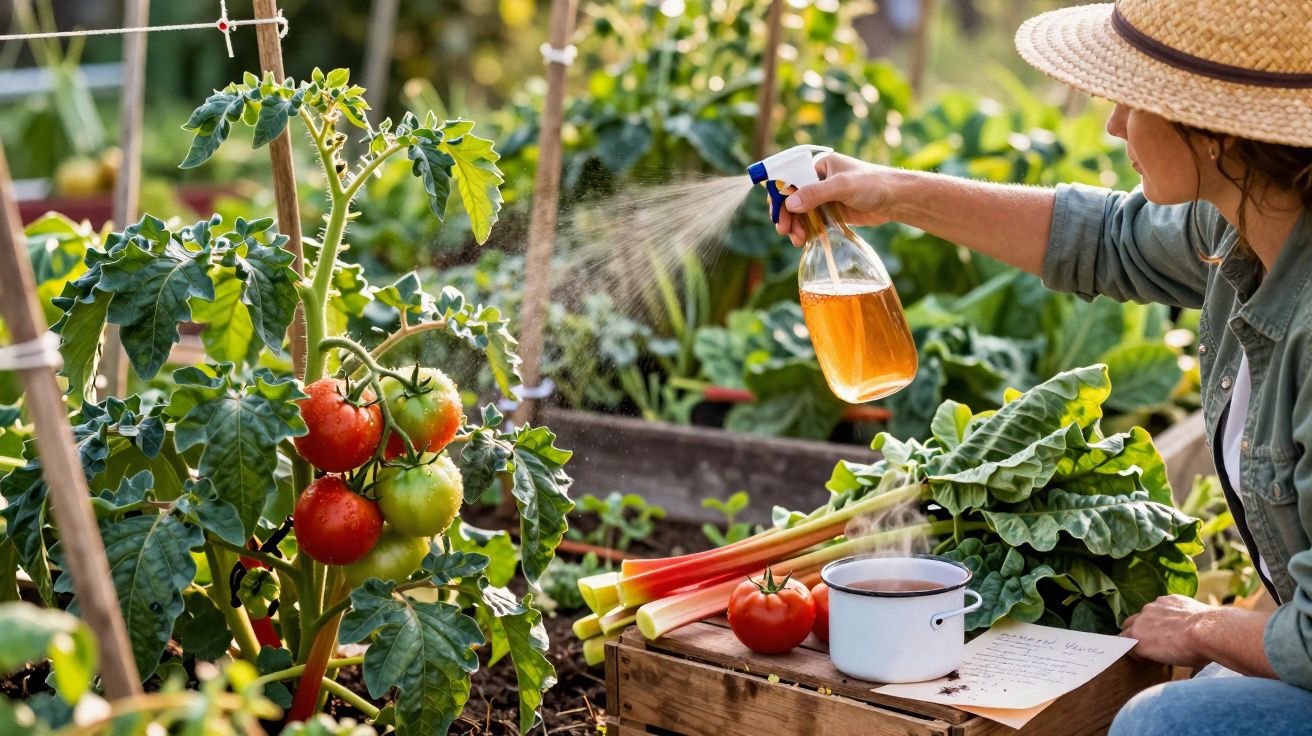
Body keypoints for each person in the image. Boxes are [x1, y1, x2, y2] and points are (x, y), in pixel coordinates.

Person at [776, 1, 1312, 732]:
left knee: (1158, 724)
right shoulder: (1246, 223)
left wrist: (1200, 629)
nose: (1114, 124)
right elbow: (1104, 241)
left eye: (1137, 99)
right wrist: (892, 193)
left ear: (1215, 132)